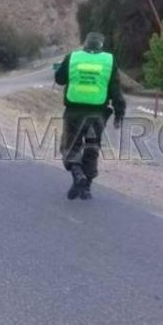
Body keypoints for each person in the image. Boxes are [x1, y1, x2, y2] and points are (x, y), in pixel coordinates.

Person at [55, 32, 126, 200]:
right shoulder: (109, 61)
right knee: (92, 149)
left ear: (85, 44)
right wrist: (118, 114)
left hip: (74, 113)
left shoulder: (73, 57)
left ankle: (77, 173)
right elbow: (116, 91)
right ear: (101, 45)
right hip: (97, 115)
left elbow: (59, 79)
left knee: (70, 146)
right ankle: (86, 188)